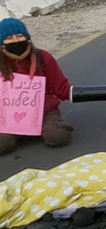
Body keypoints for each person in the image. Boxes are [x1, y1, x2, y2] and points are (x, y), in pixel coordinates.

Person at [0, 18, 72, 154]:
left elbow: (60, 87)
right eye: (9, 38)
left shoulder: (42, 57)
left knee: (58, 137)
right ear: (2, 43)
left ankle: (43, 127)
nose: (16, 41)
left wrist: (76, 93)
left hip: (42, 110)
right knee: (2, 144)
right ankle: (22, 132)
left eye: (20, 36)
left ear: (27, 38)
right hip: (7, 114)